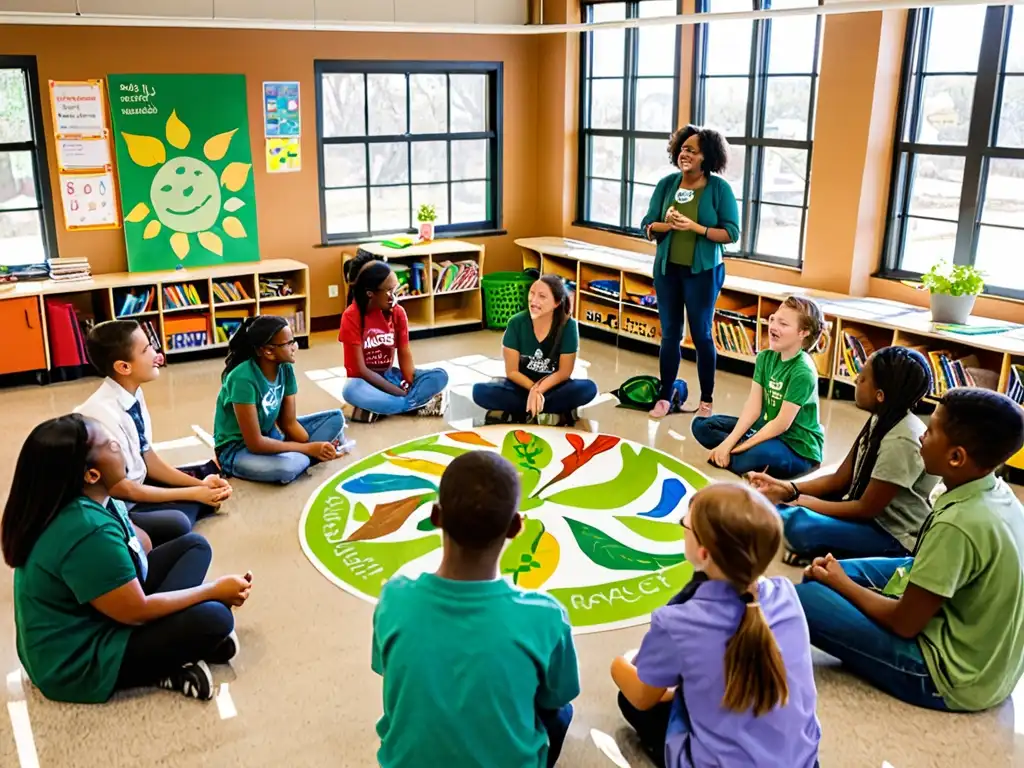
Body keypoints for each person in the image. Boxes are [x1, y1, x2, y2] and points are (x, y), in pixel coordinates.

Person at [796, 388, 1024, 712]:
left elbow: (905, 623)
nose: (921, 436)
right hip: (989, 667)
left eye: (930, 432)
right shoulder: (995, 492)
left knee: (807, 596)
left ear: (956, 457)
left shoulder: (959, 524)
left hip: (948, 676)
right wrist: (837, 578)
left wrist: (841, 584)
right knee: (825, 575)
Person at [2, 414, 253, 703]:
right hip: (77, 660)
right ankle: (165, 665)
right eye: (111, 445)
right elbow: (136, 611)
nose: (120, 444)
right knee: (216, 617)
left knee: (194, 546)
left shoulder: (94, 496)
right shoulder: (86, 530)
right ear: (91, 474)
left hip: (103, 610)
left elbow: (138, 544)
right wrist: (214, 590)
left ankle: (177, 645)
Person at [371, 451, 579, 768]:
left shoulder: (393, 599)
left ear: (436, 517)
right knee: (561, 712)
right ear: (515, 527)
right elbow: (558, 695)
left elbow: (388, 673)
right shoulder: (545, 616)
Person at [611, 483, 820, 768]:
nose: (683, 528)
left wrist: (619, 661)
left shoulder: (678, 622)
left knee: (630, 700)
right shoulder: (786, 594)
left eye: (685, 524)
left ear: (704, 553)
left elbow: (642, 696)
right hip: (803, 762)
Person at [749, 346, 937, 563]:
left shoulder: (901, 440)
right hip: (866, 518)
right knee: (781, 509)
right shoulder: (882, 417)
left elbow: (865, 509)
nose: (857, 379)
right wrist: (787, 489)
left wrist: (799, 501)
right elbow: (840, 480)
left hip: (891, 535)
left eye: (864, 377)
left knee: (798, 523)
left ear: (880, 395)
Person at [76, 319, 231, 547]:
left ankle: (190, 498)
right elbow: (121, 488)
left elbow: (148, 458)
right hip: (118, 501)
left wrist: (198, 487)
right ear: (124, 367)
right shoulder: (101, 415)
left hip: (137, 483)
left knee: (202, 489)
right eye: (146, 349)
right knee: (179, 523)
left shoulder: (132, 394)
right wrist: (193, 493)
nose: (155, 354)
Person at [641, 124, 740, 420]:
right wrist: (665, 225)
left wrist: (695, 228)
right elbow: (647, 224)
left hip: (703, 273)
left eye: (692, 150)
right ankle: (665, 396)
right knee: (670, 334)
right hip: (667, 271)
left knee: (701, 335)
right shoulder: (667, 185)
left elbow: (732, 233)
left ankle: (706, 400)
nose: (685, 154)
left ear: (706, 157)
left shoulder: (719, 189)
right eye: (682, 148)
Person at [691, 296, 827, 479]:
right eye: (773, 319)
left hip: (797, 447)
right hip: (766, 430)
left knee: (753, 456)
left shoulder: (803, 371)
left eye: (783, 324)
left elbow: (781, 425)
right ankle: (741, 457)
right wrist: (727, 444)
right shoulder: (765, 358)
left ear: (803, 332)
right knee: (701, 426)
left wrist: (737, 447)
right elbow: (753, 408)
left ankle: (744, 457)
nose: (773, 327)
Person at [214, 315, 345, 485]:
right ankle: (299, 456)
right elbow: (255, 443)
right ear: (268, 351)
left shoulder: (286, 367)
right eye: (288, 343)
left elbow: (288, 424)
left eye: (293, 341)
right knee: (288, 468)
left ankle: (301, 454)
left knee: (336, 419)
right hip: (238, 448)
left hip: (270, 434)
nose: (294, 348)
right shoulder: (242, 378)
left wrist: (313, 445)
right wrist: (309, 449)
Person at [472, 275, 598, 426]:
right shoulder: (516, 323)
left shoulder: (568, 326)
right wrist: (533, 389)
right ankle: (545, 409)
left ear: (557, 302)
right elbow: (512, 372)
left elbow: (564, 372)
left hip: (553, 387)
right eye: (531, 293)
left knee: (588, 388)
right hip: (521, 387)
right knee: (479, 391)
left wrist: (539, 390)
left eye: (542, 296)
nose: (533, 300)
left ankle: (525, 409)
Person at [340, 253, 448, 423]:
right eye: (388, 292)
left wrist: (409, 380)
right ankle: (413, 404)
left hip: (390, 375)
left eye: (395, 290)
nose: (394, 297)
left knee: (440, 375)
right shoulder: (351, 316)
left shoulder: (397, 312)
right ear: (370, 293)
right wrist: (396, 391)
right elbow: (360, 369)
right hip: (364, 381)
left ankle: (388, 407)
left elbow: (404, 352)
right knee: (350, 391)